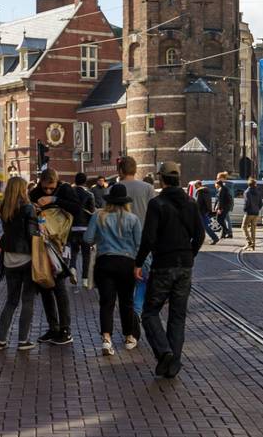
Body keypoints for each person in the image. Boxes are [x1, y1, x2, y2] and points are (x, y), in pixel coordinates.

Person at [136, 161, 204, 378]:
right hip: (185, 265)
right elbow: (200, 235)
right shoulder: (191, 203)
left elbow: (148, 238)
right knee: (177, 316)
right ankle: (173, 363)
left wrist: (138, 263)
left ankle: (164, 351)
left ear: (161, 179)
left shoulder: (157, 204)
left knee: (150, 311)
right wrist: (189, 254)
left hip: (163, 264)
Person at [85, 183, 142, 355]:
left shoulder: (98, 216)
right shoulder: (133, 219)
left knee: (106, 302)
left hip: (105, 262)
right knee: (126, 301)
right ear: (125, 201)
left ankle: (106, 339)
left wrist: (100, 239)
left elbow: (88, 238)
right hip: (126, 263)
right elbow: (139, 244)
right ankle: (129, 336)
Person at [0, 175, 39, 351]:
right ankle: (22, 341)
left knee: (11, 301)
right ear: (22, 189)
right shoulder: (28, 208)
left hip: (9, 259)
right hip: (26, 258)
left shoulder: (2, 208)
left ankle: (1, 340)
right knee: (27, 300)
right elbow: (32, 234)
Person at [31, 170, 74, 344]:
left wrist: (54, 200)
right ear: (40, 183)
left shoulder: (65, 190)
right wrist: (32, 208)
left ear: (57, 183)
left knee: (59, 286)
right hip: (41, 245)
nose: (48, 191)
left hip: (61, 244)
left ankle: (65, 330)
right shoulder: (34, 193)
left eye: (51, 188)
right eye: (45, 188)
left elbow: (77, 209)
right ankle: (53, 327)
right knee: (45, 285)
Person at [69, 172, 96, 282]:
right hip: (85, 229)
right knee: (86, 255)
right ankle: (85, 279)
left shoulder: (70, 193)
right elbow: (92, 212)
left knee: (73, 251)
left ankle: (73, 268)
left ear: (75, 181)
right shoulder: (89, 194)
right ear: (85, 182)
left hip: (73, 227)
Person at [115, 155, 152, 228]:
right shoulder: (148, 188)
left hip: (118, 234)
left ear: (121, 170)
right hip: (142, 232)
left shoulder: (111, 189)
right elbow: (153, 213)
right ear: (135, 170)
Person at [242, 178, 263, 251]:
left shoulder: (247, 192)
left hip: (249, 212)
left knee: (244, 227)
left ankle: (249, 242)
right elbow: (261, 203)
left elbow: (247, 202)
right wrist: (257, 209)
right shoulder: (258, 192)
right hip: (256, 213)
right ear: (255, 184)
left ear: (248, 184)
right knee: (253, 229)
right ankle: (253, 245)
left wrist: (245, 209)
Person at [213, 172, 235, 240]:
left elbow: (223, 198)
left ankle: (228, 232)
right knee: (224, 220)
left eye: (219, 178)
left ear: (222, 178)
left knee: (225, 219)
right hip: (225, 205)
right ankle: (225, 233)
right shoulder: (223, 185)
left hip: (225, 205)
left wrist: (220, 207)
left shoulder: (226, 185)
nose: (217, 179)